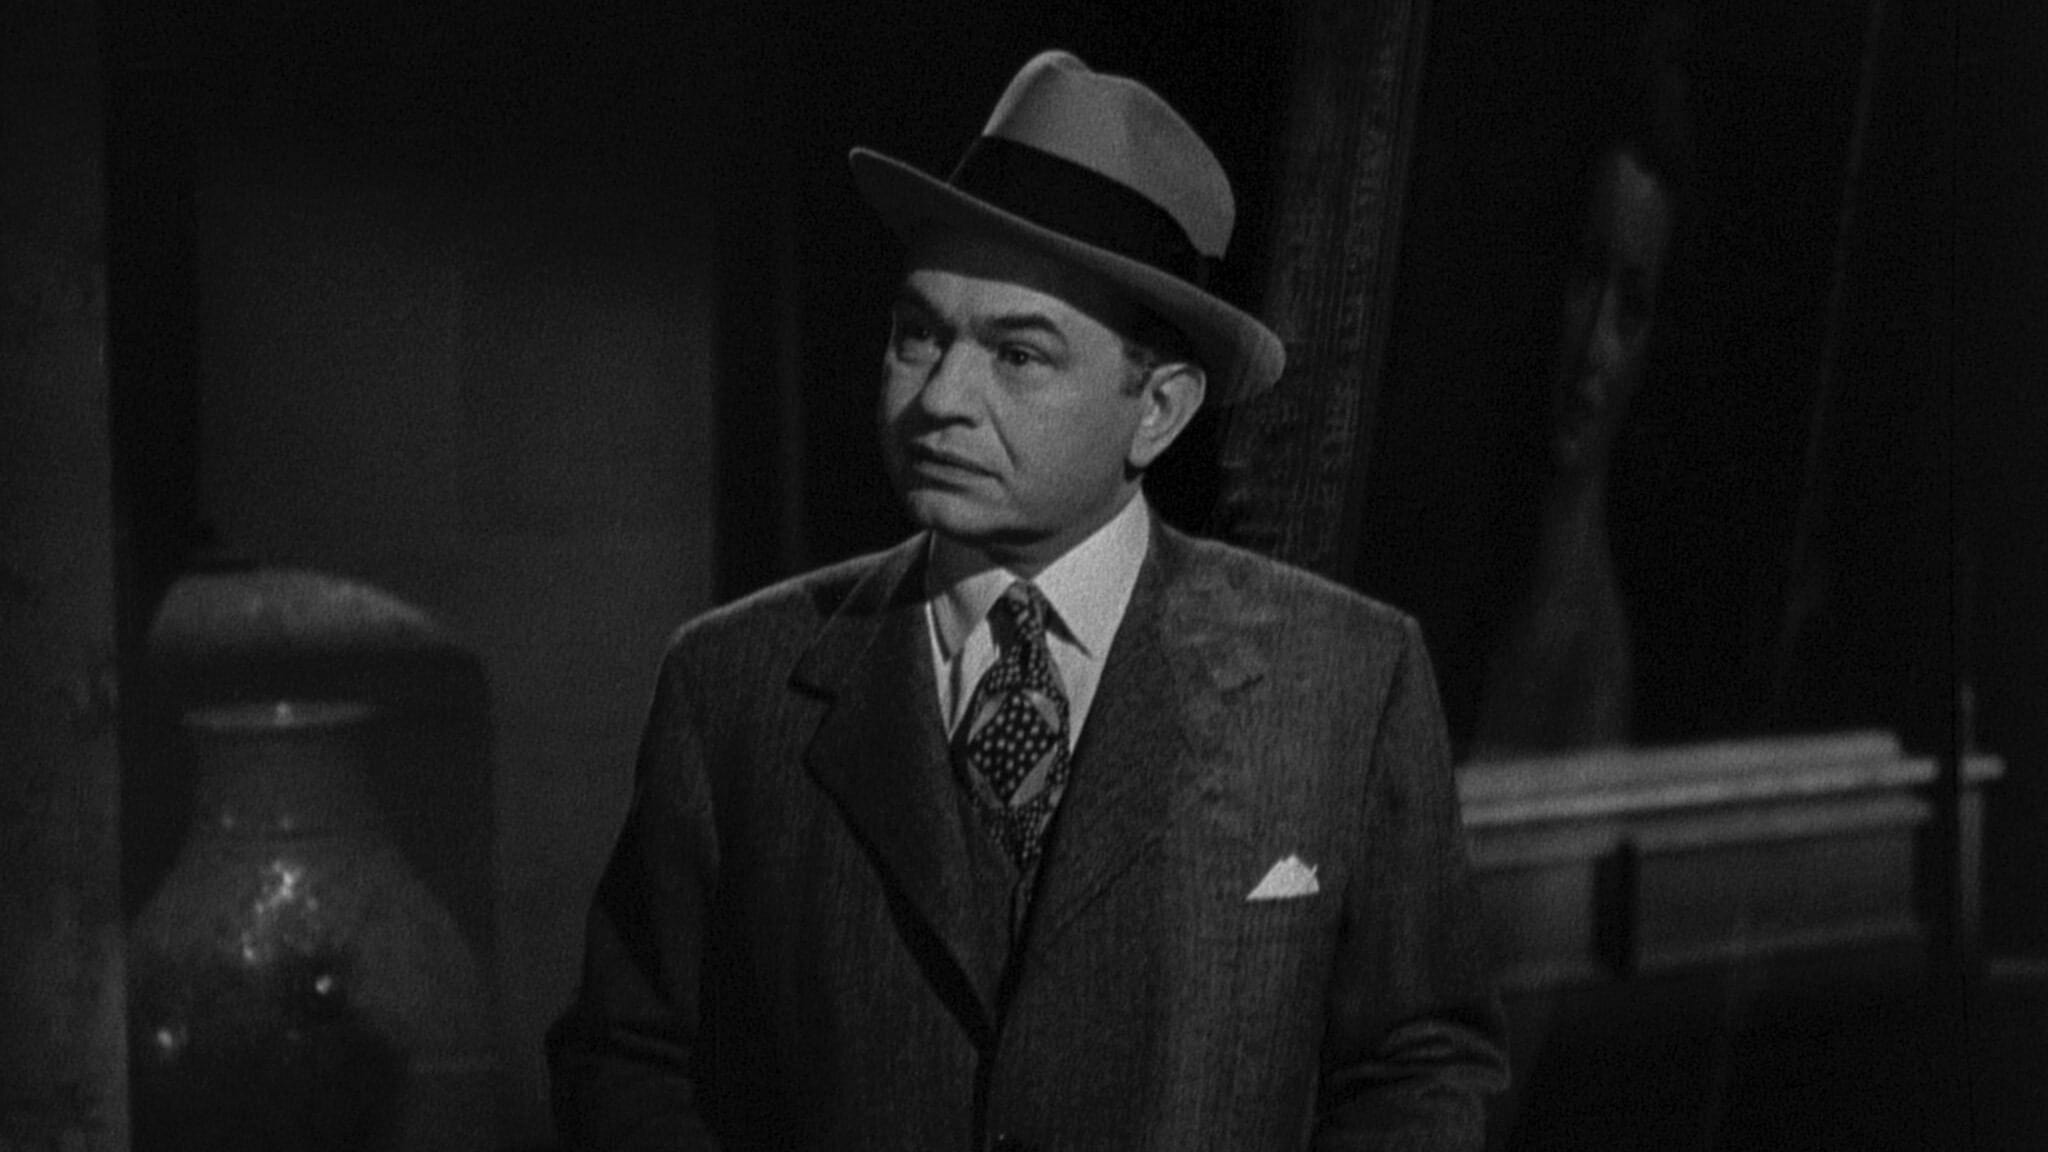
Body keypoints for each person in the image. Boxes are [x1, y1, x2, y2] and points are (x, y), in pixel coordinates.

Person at [548, 50, 1507, 1151]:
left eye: (1017, 354)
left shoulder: (1343, 682)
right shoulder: (731, 687)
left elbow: (1422, 1064)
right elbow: (626, 1060)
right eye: (919, 334)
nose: (940, 398)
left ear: (1156, 410)